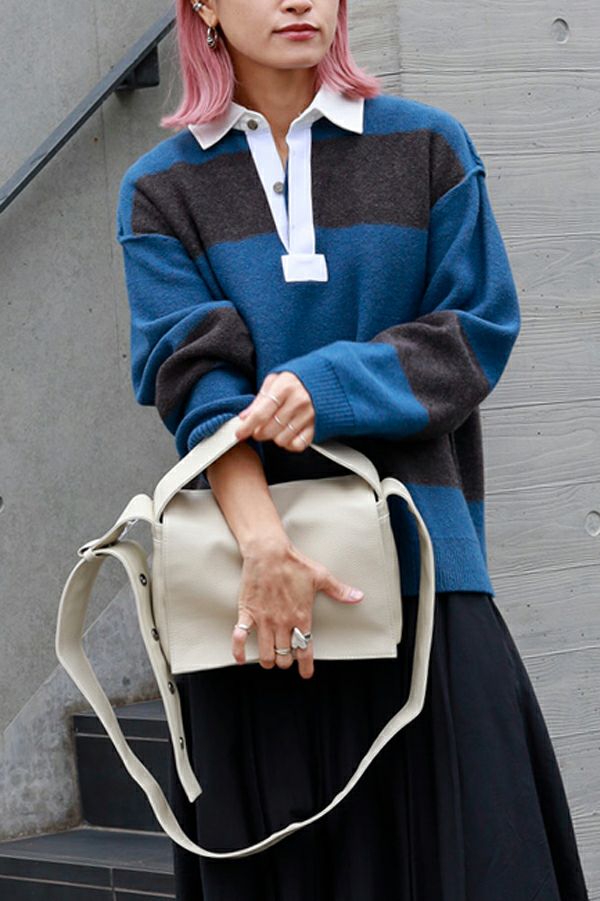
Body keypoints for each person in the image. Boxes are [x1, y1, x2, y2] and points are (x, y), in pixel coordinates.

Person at [115, 0, 591, 898]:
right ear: (204, 7)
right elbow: (195, 381)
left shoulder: (427, 145)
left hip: (425, 577)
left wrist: (325, 387)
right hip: (255, 606)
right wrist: (264, 546)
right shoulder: (161, 188)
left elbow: (476, 332)